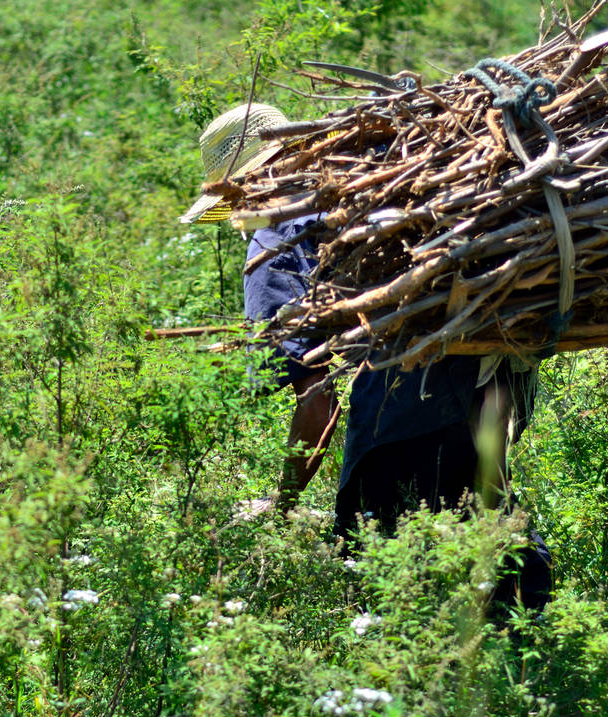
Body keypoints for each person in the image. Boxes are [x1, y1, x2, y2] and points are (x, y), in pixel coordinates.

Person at [180, 103, 551, 611]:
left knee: (378, 559)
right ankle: (535, 667)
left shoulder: (275, 238)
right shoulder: (372, 174)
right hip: (500, 374)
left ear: (240, 186)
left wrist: (280, 503)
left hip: (411, 399)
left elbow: (318, 406)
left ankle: (478, 668)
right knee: (484, 521)